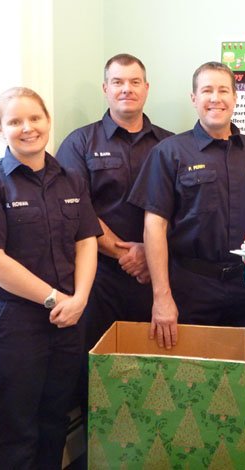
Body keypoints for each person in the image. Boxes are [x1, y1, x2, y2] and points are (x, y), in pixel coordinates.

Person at [0, 87, 101, 469]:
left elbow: (87, 241)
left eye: (35, 118)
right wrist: (56, 299)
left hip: (69, 319)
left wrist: (80, 299)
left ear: (47, 121)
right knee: (17, 429)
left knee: (55, 421)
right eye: (15, 121)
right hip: (15, 323)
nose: (27, 128)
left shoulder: (71, 178)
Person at [128, 61, 245, 348]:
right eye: (206, 90)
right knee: (192, 381)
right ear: (194, 98)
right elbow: (154, 227)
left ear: (235, 97)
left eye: (223, 90)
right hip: (192, 290)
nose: (215, 98)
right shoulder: (170, 152)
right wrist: (162, 298)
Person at [56, 53, 173, 351]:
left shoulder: (171, 145)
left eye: (135, 82)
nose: (126, 89)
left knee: (152, 366)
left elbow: (184, 209)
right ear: (105, 88)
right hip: (97, 278)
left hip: (158, 278)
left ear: (146, 88)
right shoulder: (79, 143)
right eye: (118, 82)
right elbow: (75, 209)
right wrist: (127, 255)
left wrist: (149, 254)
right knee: (98, 366)